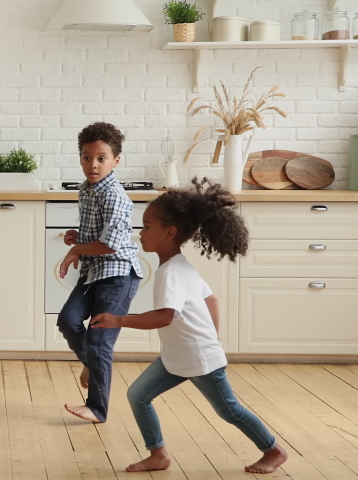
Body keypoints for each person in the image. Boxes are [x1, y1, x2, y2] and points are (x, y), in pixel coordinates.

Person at [91, 179, 288, 474]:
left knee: (229, 410)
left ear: (169, 232)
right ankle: (158, 455)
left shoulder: (171, 273)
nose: (140, 233)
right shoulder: (180, 266)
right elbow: (212, 301)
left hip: (199, 360)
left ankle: (274, 450)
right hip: (177, 358)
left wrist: (119, 320)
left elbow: (164, 316)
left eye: (146, 226)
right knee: (138, 395)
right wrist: (211, 336)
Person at [58, 122, 142, 424]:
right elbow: (97, 233)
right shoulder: (88, 190)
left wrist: (76, 250)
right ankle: (92, 365)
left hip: (118, 275)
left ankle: (97, 408)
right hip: (95, 272)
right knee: (67, 321)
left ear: (115, 161)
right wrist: (77, 236)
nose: (92, 164)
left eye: (101, 158)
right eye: (86, 157)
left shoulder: (114, 196)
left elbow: (109, 244)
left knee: (99, 341)